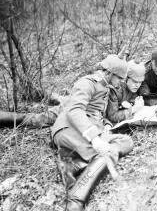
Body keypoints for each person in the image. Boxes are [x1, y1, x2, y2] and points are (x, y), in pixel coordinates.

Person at [51, 54, 134, 211]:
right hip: (69, 130)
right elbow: (74, 110)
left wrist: (106, 126)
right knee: (105, 153)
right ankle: (75, 200)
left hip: (87, 131)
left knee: (126, 142)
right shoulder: (87, 83)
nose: (120, 82)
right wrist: (95, 139)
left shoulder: (105, 86)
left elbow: (99, 115)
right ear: (109, 73)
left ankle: (74, 166)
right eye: (119, 78)